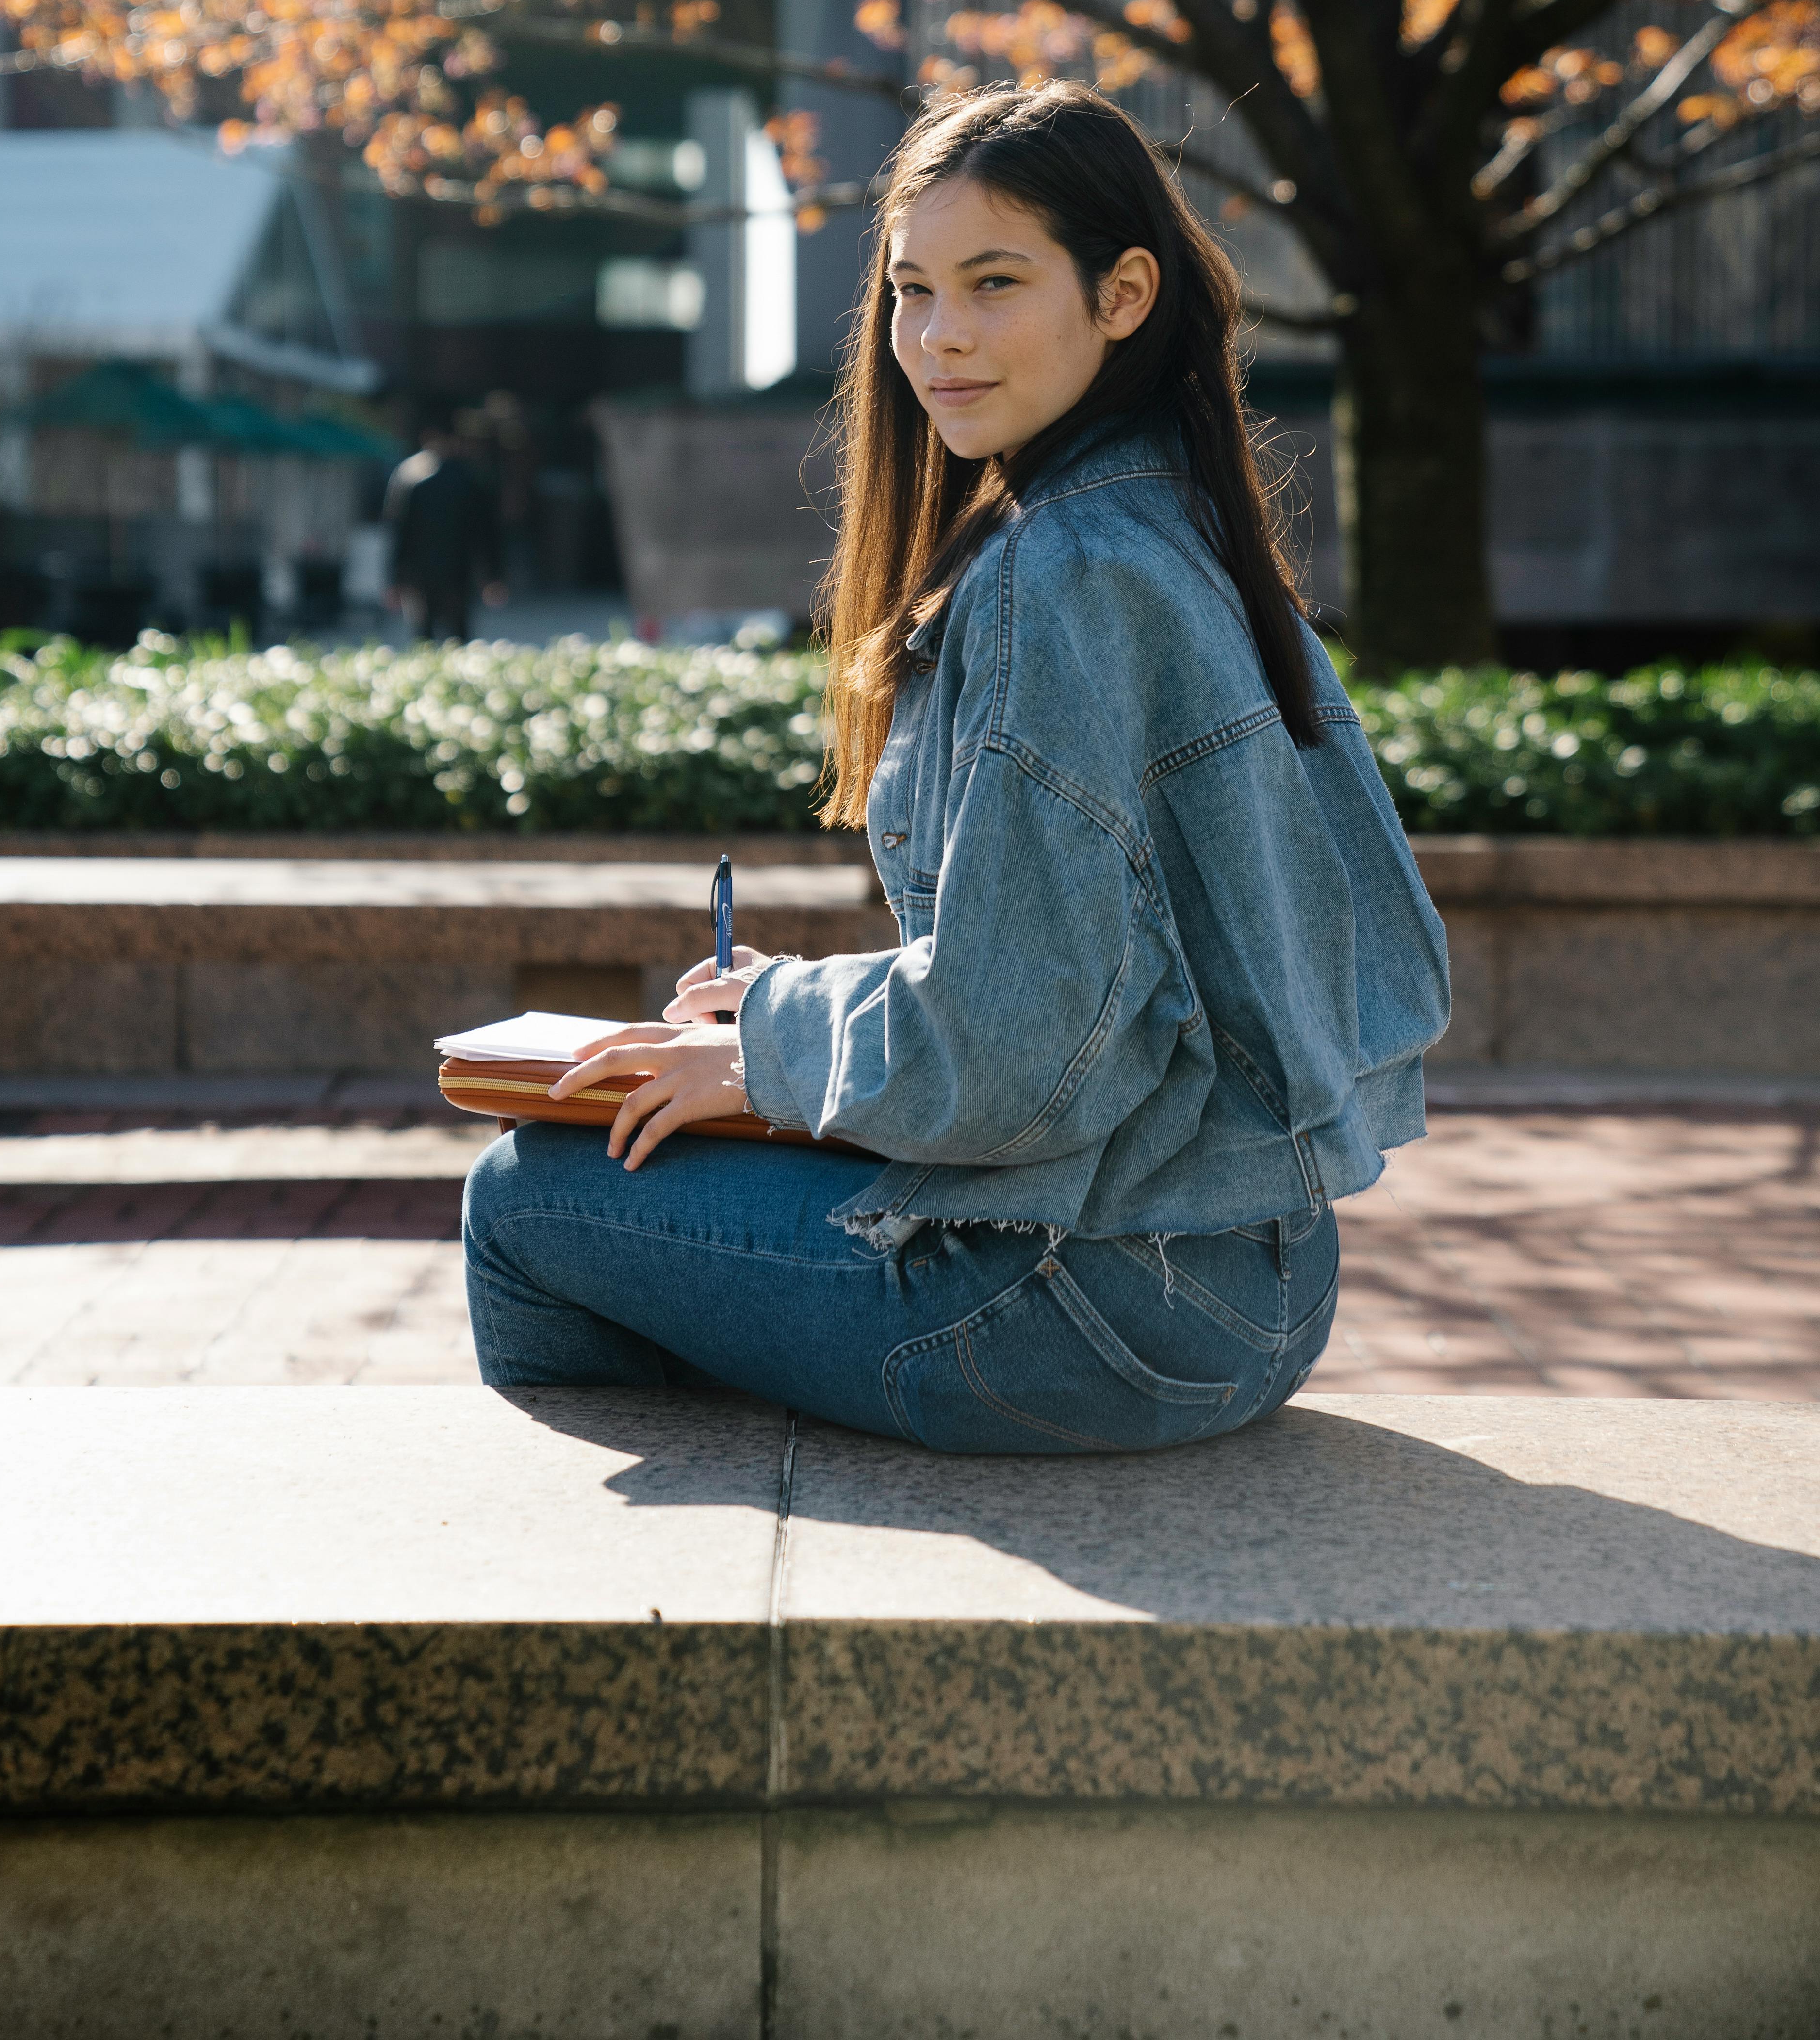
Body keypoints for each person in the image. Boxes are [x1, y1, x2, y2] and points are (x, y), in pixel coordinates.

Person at [463, 83, 1449, 1453]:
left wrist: (767, 1053)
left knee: (526, 1195)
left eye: (994, 283)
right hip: (1264, 1288)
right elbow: (1171, 975)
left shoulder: (1064, 567)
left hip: (1084, 1309)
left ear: (1123, 293)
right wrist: (795, 1012)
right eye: (911, 291)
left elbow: (1011, 1052)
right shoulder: (1186, 528)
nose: (938, 338)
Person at [383, 415, 505, 641]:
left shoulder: (408, 478)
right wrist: (492, 576)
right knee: (459, 637)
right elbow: (487, 533)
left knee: (423, 638)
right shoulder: (471, 479)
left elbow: (399, 533)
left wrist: (395, 580)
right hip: (458, 570)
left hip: (421, 572)